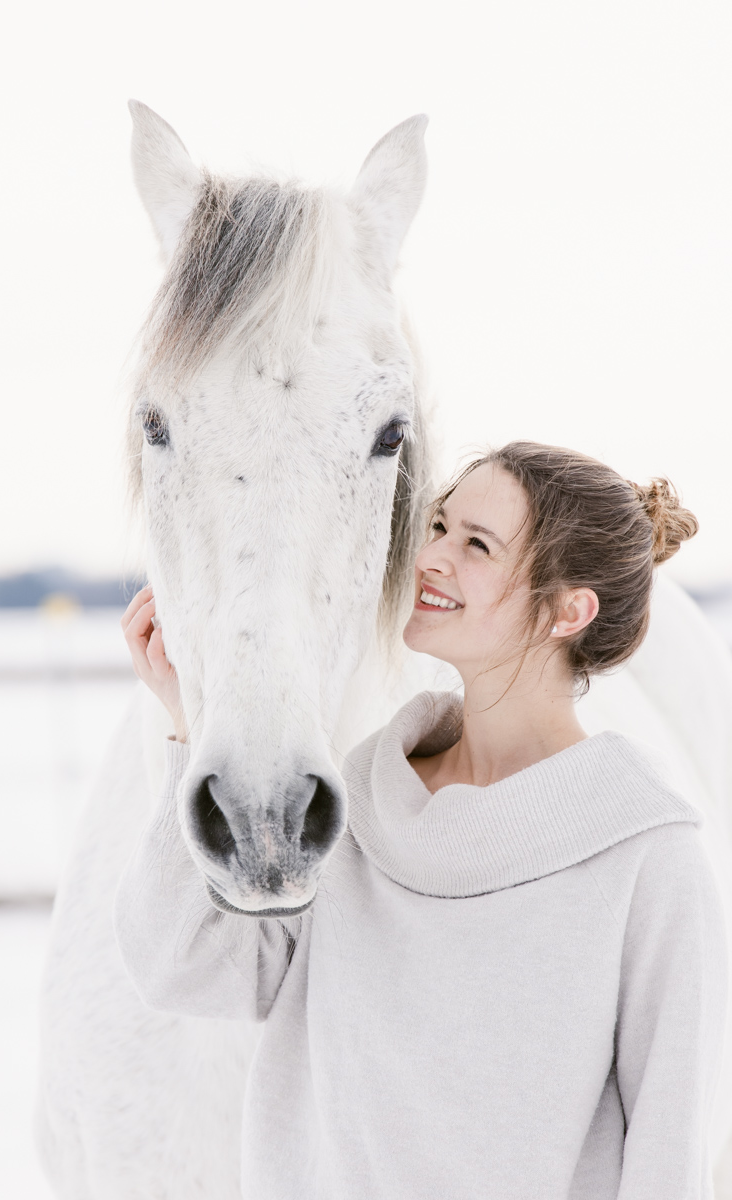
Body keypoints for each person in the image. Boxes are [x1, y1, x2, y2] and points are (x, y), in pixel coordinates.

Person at [115, 440, 726, 1199]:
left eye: (476, 544)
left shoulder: (646, 857)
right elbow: (188, 970)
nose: (431, 557)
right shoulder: (357, 810)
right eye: (437, 526)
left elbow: (670, 1155)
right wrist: (187, 722)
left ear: (570, 610)